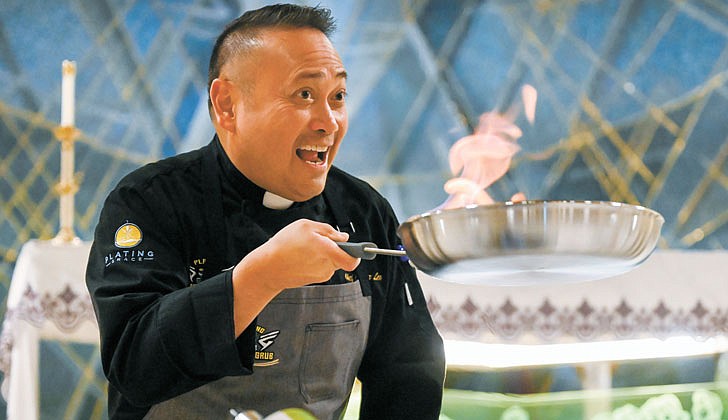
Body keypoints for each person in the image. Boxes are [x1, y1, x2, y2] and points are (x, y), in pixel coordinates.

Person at [86, 3, 446, 419]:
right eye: (304, 95)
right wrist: (263, 273)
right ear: (227, 105)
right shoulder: (148, 202)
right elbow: (135, 366)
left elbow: (408, 372)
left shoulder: (362, 211)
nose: (328, 122)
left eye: (338, 96)